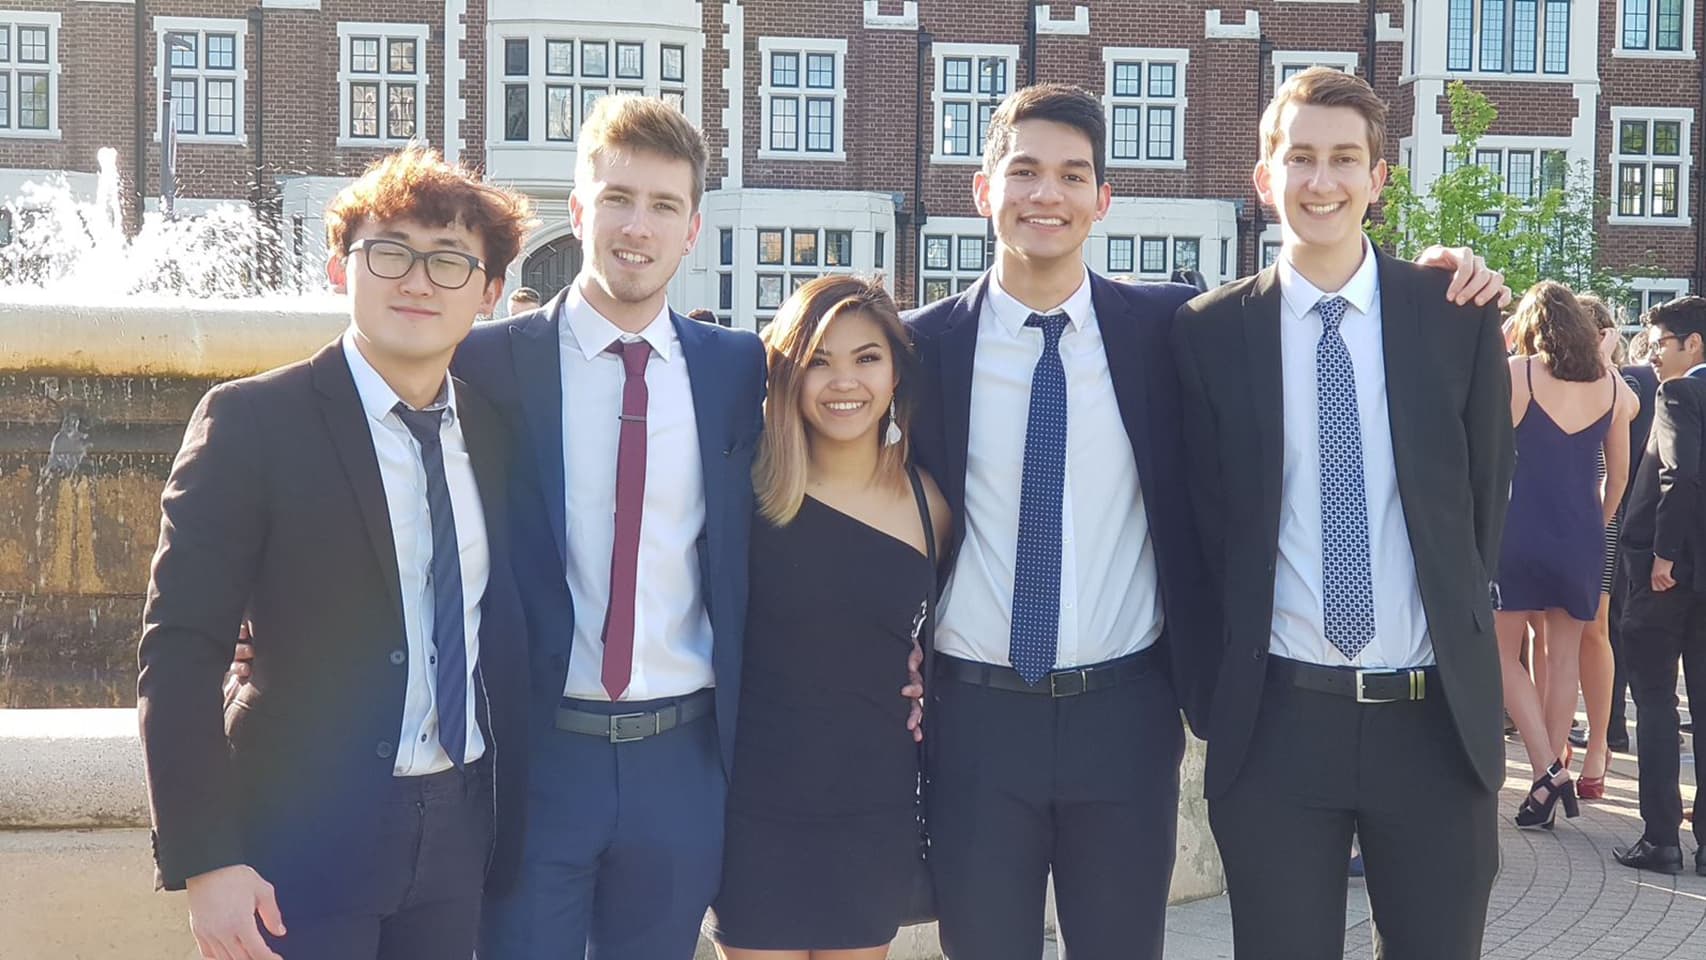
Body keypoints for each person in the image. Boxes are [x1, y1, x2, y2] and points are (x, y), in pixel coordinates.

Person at [903, 80, 1505, 960]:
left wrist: (1452, 266)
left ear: (1103, 201)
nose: (1047, 195)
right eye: (1025, 171)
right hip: (1006, 720)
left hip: (1162, 716)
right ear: (983, 189)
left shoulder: (1174, 328)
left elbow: (1479, 514)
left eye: (1073, 175)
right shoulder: (926, 349)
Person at [452, 96, 922, 959]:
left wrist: (904, 647)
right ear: (580, 209)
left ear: (693, 227)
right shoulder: (487, 364)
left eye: (664, 205)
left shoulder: (737, 370)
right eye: (620, 199)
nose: (639, 227)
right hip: (541, 753)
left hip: (684, 758)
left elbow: (834, 505)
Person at [137, 146, 534, 960]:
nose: (418, 281)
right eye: (389, 252)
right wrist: (206, 859)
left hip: (461, 828)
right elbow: (178, 649)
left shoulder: (497, 433)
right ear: (337, 268)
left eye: (450, 261)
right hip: (298, 837)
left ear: (490, 291)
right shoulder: (252, 421)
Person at [1172, 68, 1514, 958]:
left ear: (1377, 179)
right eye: (1300, 158)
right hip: (1279, 724)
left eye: (1343, 159)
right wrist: (1215, 701)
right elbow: (1199, 532)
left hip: (1432, 723)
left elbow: (1480, 510)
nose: (1321, 181)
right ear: (1265, 176)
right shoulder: (1208, 333)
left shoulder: (1452, 315)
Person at [708, 275, 951, 959]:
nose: (844, 381)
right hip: (753, 807)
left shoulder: (930, 504)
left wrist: (927, 684)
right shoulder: (745, 492)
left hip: (874, 805)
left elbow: (948, 634)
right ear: (788, 373)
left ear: (896, 371)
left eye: (866, 357)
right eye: (819, 359)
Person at [1498, 282, 1635, 823]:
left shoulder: (1520, 373)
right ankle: (1545, 791)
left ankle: (1545, 770)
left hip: (1520, 527)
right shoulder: (1612, 385)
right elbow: (1619, 475)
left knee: (1501, 653)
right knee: (1563, 661)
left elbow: (1488, 453)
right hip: (1581, 534)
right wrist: (1594, 525)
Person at [1613, 296, 1706, 877]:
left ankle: (1661, 838)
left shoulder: (1679, 394)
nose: (1651, 354)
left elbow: (1679, 472)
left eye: (1659, 343)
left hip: (1663, 574)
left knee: (1653, 701)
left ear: (1693, 344)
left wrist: (1664, 556)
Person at [1571, 293, 1642, 798]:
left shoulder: (1620, 382)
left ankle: (1599, 743)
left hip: (1602, 515)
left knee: (1595, 627)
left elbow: (1629, 409)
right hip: (1548, 515)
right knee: (1540, 635)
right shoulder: (1548, 376)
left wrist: (1604, 356)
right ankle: (1556, 742)